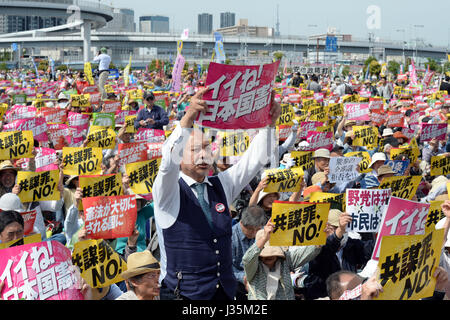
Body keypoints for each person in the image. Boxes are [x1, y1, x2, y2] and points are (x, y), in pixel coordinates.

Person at [152, 87, 281, 300]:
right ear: (179, 157)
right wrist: (188, 116)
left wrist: (269, 125)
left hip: (224, 291)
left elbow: (254, 160)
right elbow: (167, 162)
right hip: (184, 295)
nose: (203, 155)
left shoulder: (220, 185)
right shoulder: (167, 191)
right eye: (194, 150)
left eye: (206, 148)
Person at [242, 219, 321, 300]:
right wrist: (264, 238)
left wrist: (321, 237)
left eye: (273, 253)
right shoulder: (253, 267)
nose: (269, 256)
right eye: (265, 254)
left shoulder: (285, 260)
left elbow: (309, 251)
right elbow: (247, 259)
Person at [231, 205, 267, 300]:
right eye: (250, 229)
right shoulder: (231, 237)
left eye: (258, 229)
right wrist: (244, 277)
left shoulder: (264, 232)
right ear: (242, 223)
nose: (254, 233)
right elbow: (227, 267)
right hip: (238, 283)